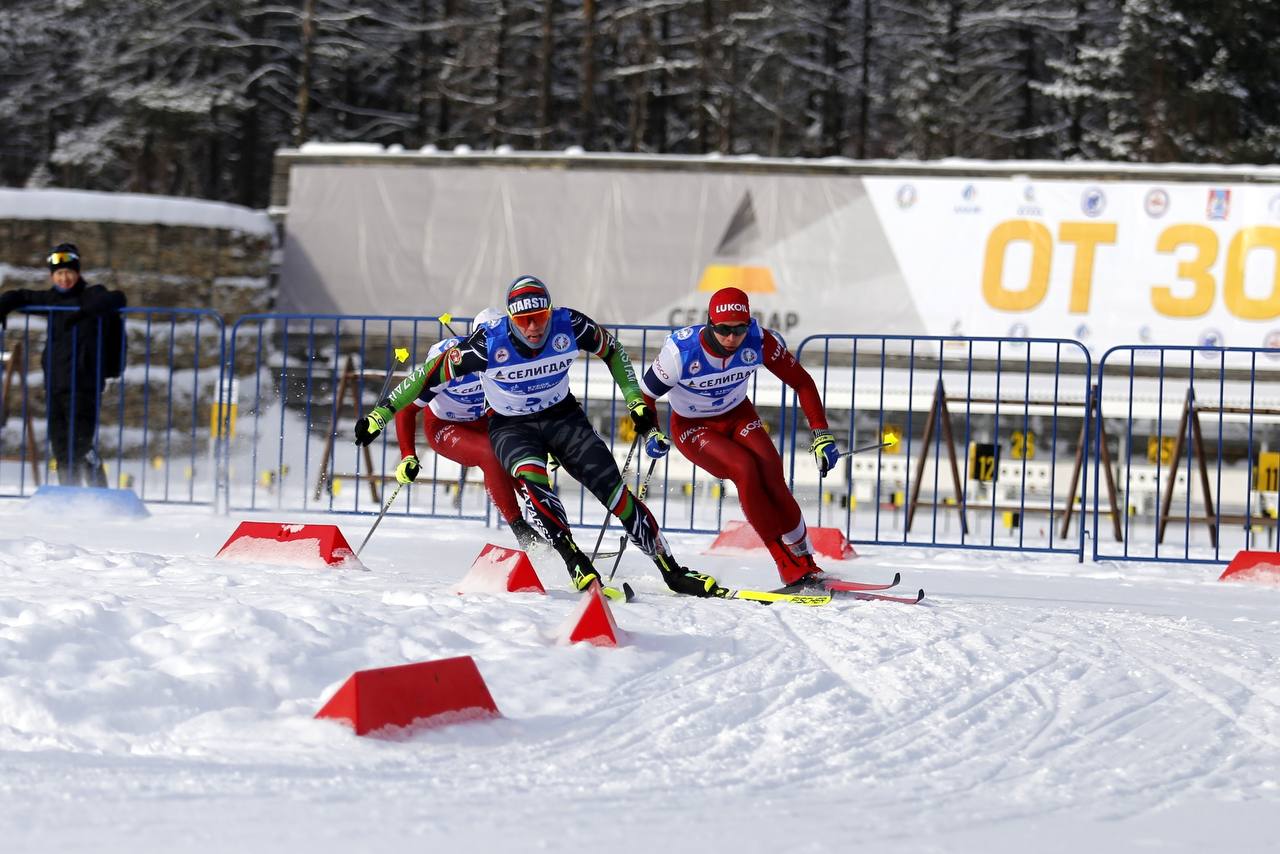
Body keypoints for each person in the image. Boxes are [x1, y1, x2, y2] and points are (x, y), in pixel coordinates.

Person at [354, 275, 724, 601]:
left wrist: (634, 401)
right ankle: (574, 561)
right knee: (534, 482)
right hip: (511, 425)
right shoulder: (485, 344)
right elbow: (423, 377)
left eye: (540, 317)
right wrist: (379, 414)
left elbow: (611, 351)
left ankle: (672, 571)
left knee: (615, 493)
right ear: (510, 321)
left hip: (562, 416)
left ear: (550, 311)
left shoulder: (570, 324)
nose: (534, 328)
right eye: (524, 320)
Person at [639, 286, 840, 587]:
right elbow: (643, 396)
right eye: (723, 330)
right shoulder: (680, 352)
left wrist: (821, 433)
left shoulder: (759, 340)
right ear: (709, 323)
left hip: (737, 414)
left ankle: (805, 558)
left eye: (739, 329)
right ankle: (783, 560)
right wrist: (650, 431)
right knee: (744, 468)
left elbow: (802, 382)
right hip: (694, 426)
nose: (732, 339)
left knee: (772, 470)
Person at [390, 308, 542, 551]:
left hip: (485, 423)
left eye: (505, 336)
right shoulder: (453, 359)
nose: (498, 347)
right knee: (490, 454)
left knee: (525, 459)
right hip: (444, 425)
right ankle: (522, 532)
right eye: (490, 339)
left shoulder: (514, 358)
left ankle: (553, 529)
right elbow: (406, 410)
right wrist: (408, 454)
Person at [0, 243, 127, 487]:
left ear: (77, 272)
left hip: (84, 382)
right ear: (52, 276)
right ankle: (69, 493)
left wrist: (83, 311)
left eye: (69, 272)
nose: (64, 278)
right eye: (59, 273)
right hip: (56, 383)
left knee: (81, 443)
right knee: (60, 443)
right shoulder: (51, 299)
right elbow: (22, 295)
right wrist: (6, 302)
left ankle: (98, 493)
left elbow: (116, 298)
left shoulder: (91, 294)